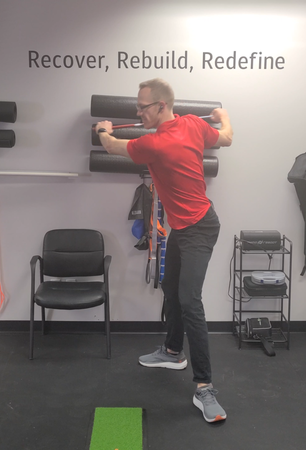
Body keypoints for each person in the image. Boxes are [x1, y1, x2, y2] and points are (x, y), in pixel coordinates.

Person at [96, 78, 233, 422]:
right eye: (137, 107)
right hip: (183, 228)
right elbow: (227, 137)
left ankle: (204, 388)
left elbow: (112, 146)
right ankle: (173, 351)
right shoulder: (193, 124)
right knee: (170, 290)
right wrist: (223, 114)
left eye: (142, 106)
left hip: (200, 228)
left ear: (161, 106)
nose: (138, 112)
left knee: (189, 301)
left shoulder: (153, 144)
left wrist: (102, 130)